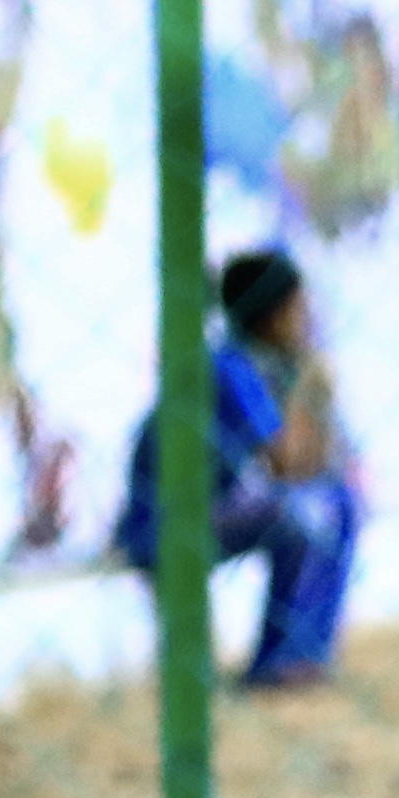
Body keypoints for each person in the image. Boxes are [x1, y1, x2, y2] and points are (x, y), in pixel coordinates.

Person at [110, 244, 360, 688]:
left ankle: (302, 654)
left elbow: (318, 466)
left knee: (338, 502)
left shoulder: (262, 363)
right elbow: (288, 465)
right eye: (298, 308)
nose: (307, 319)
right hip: (163, 524)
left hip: (209, 507)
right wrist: (313, 389)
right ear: (271, 315)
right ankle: (282, 662)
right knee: (304, 513)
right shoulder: (228, 365)